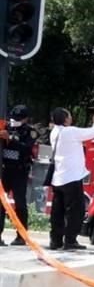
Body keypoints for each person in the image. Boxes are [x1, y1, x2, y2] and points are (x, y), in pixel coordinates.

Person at [49, 108, 94, 251]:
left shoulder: (54, 133)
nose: (71, 118)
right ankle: (70, 240)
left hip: (58, 178)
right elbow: (92, 133)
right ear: (66, 119)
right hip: (72, 178)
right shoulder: (70, 132)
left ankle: (55, 240)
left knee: (57, 212)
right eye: (69, 116)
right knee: (75, 211)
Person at [0, 105, 38, 245]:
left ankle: (21, 236)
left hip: (20, 171)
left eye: (18, 119)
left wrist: (10, 138)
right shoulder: (6, 126)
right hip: (5, 170)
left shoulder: (30, 132)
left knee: (20, 203)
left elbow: (26, 148)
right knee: (1, 203)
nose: (14, 121)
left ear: (25, 119)